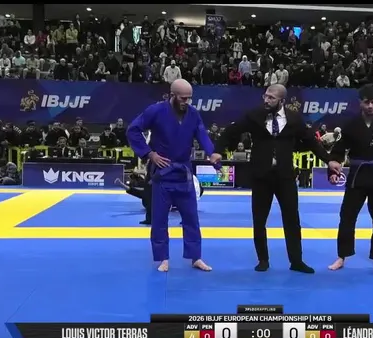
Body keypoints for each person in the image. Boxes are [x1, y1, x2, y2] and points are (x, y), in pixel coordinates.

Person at [218, 84, 341, 273]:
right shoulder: (254, 115)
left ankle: (296, 261)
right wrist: (218, 151)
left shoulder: (294, 119)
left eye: (271, 98)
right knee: (259, 220)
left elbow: (311, 141)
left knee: (292, 219)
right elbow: (230, 132)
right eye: (265, 96)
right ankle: (263, 260)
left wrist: (328, 160)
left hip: (285, 176)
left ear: (282, 101)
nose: (266, 100)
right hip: (261, 176)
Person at [126, 79, 219, 272]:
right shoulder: (155, 110)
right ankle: (163, 259)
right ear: (172, 95)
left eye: (189, 98)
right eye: (183, 98)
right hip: (162, 173)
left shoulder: (193, 114)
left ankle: (196, 257)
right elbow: (133, 130)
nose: (187, 102)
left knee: (191, 218)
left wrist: (212, 153)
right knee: (159, 219)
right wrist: (149, 154)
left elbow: (202, 134)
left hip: (183, 173)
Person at [326, 84, 373, 274]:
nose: (370, 106)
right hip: (356, 177)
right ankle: (342, 256)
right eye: (366, 102)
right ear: (360, 102)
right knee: (347, 216)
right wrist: (332, 172)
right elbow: (338, 150)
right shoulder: (351, 124)